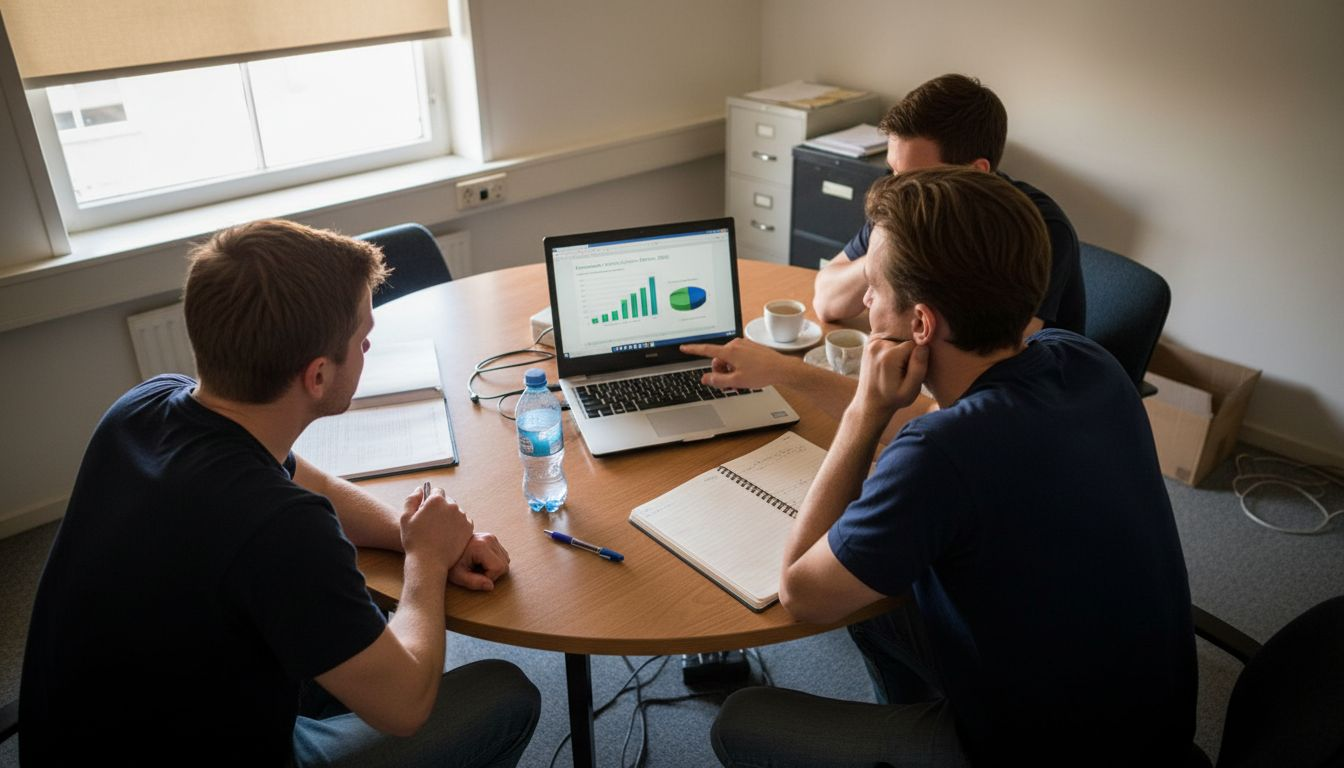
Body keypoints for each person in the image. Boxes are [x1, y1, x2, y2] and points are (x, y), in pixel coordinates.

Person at [700, 168, 1195, 766]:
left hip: (1040, 751)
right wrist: (798, 376)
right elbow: (951, 432)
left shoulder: (940, 455)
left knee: (740, 720)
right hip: (1151, 720)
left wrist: (861, 412)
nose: (862, 302)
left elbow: (801, 592)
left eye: (875, 289)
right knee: (871, 598)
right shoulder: (1083, 358)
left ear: (921, 324)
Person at [20, 220, 541, 766]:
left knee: (347, 618)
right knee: (506, 696)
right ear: (317, 376)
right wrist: (427, 562)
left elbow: (302, 477)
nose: (369, 344)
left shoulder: (145, 406)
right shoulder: (280, 529)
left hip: (84, 732)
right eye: (362, 336)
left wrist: (413, 534)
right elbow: (405, 707)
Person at [813, 73, 1085, 338]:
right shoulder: (906, 200)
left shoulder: (1037, 229)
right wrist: (881, 260)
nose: (897, 190)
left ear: (977, 171)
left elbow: (995, 353)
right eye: (893, 172)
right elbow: (827, 302)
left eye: (916, 178)